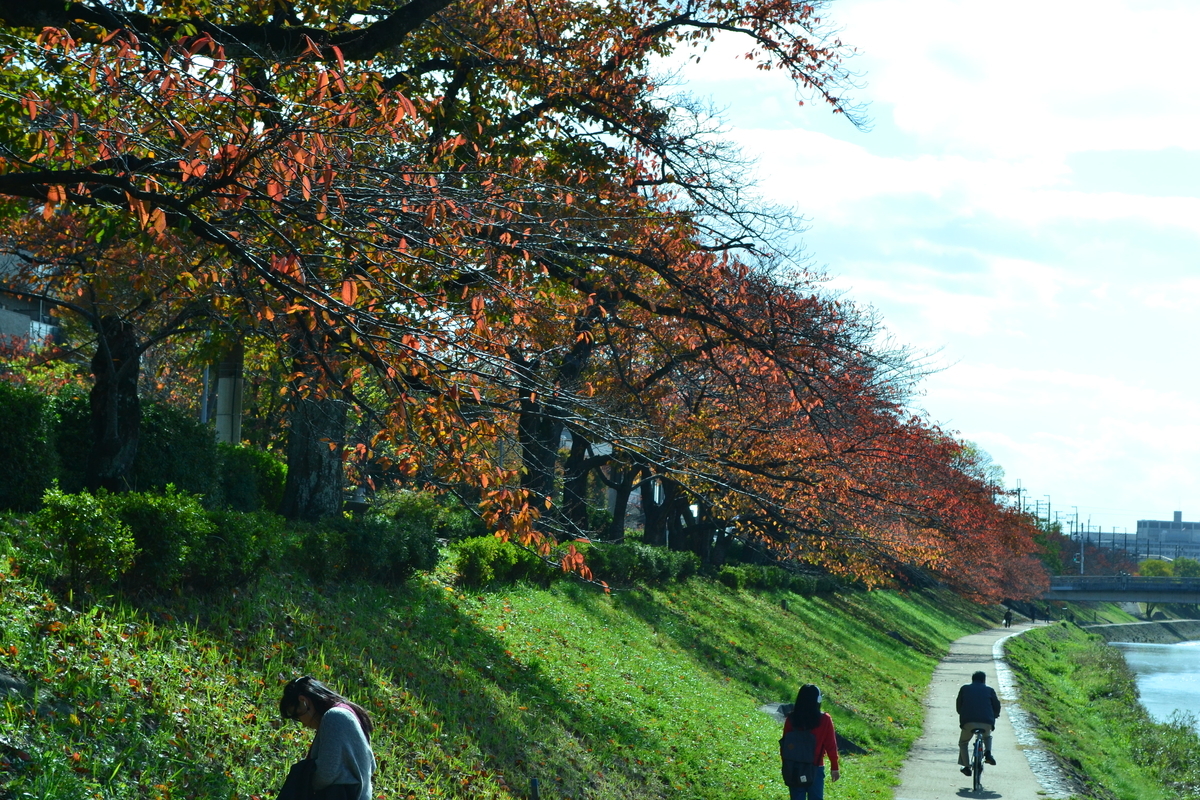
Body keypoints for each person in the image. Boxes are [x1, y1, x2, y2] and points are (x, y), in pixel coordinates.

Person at [279, 676, 377, 800]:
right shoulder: (350, 712)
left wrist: (301, 778)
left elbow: (326, 774)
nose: (303, 723)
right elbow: (372, 765)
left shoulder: (334, 717)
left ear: (303, 701)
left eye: (297, 715)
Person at [782, 683, 840, 799]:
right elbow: (831, 745)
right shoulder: (824, 720)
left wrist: (786, 764)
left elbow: (785, 745)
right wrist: (834, 766)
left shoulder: (791, 719)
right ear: (818, 700)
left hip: (794, 766)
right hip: (815, 767)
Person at [955, 671, 1001, 776]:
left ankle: (966, 767)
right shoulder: (990, 690)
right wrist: (995, 715)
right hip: (987, 722)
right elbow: (996, 706)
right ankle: (988, 753)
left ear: (972, 680)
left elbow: (959, 706)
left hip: (968, 722)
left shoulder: (964, 689)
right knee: (987, 737)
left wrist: (963, 714)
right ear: (984, 680)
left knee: (963, 743)